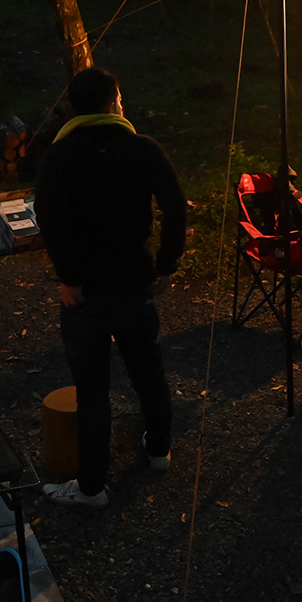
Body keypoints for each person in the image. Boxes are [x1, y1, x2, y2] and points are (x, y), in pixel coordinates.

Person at [33, 68, 187, 507]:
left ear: (72, 108)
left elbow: (50, 219)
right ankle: (158, 449)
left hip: (84, 294)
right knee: (148, 371)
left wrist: (67, 276)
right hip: (135, 281)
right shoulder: (143, 148)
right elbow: (175, 207)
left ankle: (92, 486)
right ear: (114, 102)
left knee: (93, 388)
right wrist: (166, 265)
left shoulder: (59, 156)